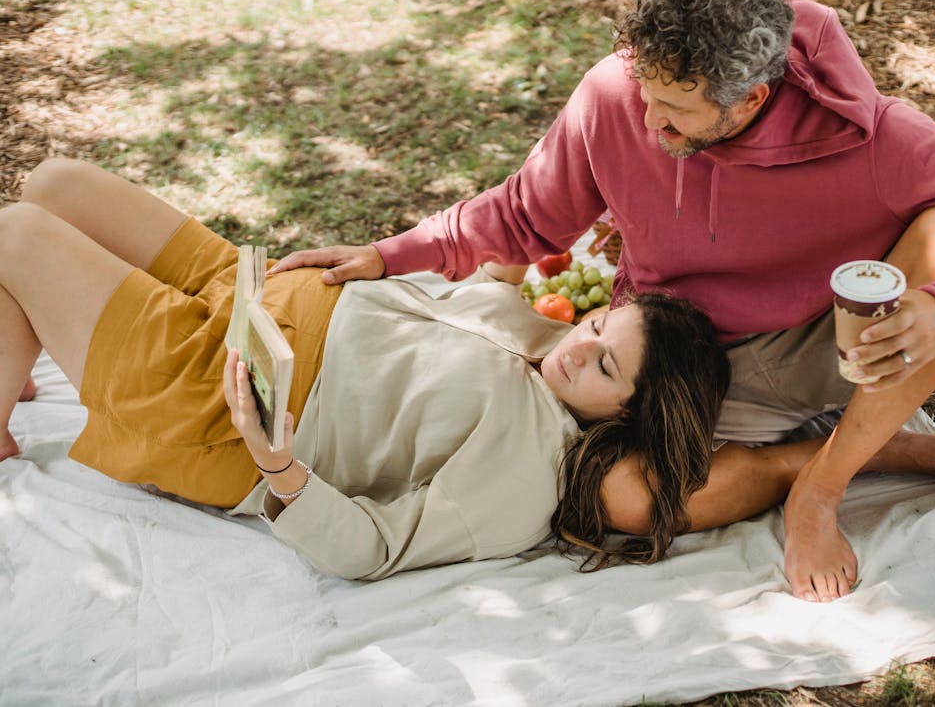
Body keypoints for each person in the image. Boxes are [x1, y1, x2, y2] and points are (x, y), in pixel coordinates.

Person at [264, 0, 935, 601]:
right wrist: (391, 253)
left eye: (673, 112)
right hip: (667, 349)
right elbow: (524, 214)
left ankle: (820, 489)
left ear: (750, 98)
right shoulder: (620, 92)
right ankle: (865, 447)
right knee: (625, 501)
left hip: (810, 346)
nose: (647, 124)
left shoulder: (873, 137)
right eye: (643, 94)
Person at [1, 158, 735, 581]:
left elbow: (374, 550)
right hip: (243, 288)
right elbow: (494, 268)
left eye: (605, 365)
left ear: (626, 413)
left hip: (215, 396)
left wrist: (279, 468)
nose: (580, 346)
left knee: (15, 235)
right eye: (600, 326)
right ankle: (15, 358)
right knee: (52, 184)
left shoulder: (523, 476)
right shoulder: (544, 342)